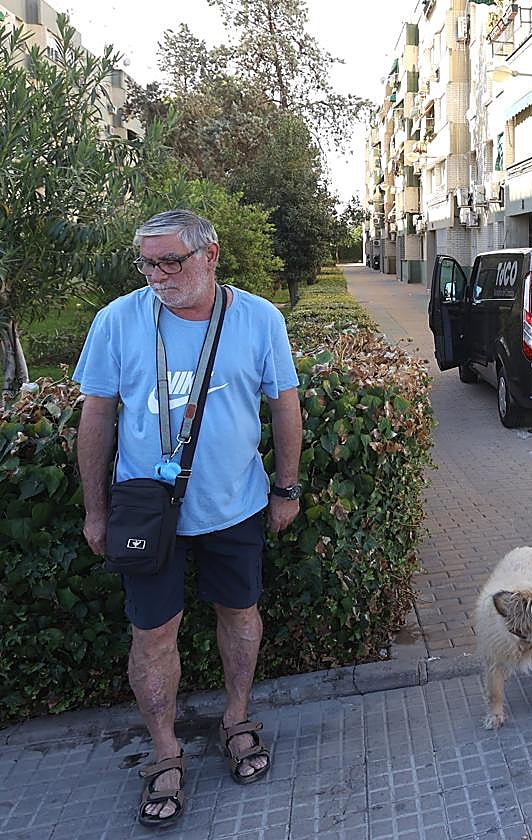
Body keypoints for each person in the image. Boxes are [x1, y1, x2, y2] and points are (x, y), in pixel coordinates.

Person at [74, 210, 302, 828]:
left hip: (236, 506)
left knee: (240, 613)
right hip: (146, 514)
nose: (157, 275)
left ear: (211, 255)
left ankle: (236, 718)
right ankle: (165, 752)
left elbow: (285, 404)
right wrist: (97, 510)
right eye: (147, 262)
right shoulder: (117, 321)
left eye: (170, 261)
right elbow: (96, 417)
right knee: (152, 635)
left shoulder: (258, 318)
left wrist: (287, 488)